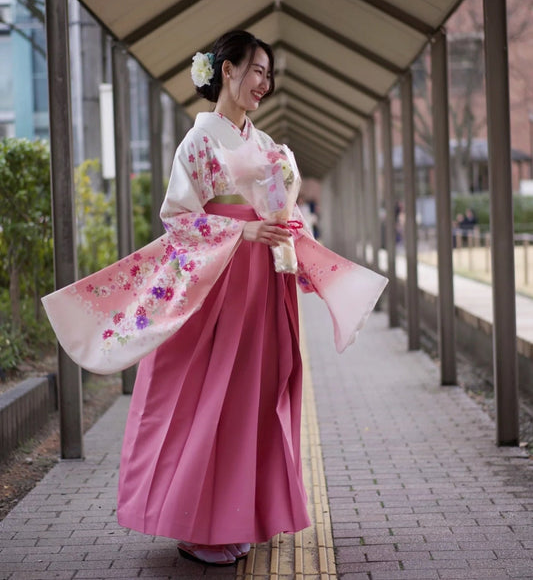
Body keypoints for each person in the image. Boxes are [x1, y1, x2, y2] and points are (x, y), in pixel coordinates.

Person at [42, 30, 387, 567]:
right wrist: (243, 233)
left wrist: (282, 223)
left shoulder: (264, 144)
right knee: (208, 397)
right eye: (256, 71)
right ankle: (197, 525)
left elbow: (277, 208)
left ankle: (239, 514)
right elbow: (179, 219)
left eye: (269, 75)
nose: (264, 84)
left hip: (261, 285)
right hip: (219, 283)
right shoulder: (198, 143)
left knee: (253, 393)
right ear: (226, 70)